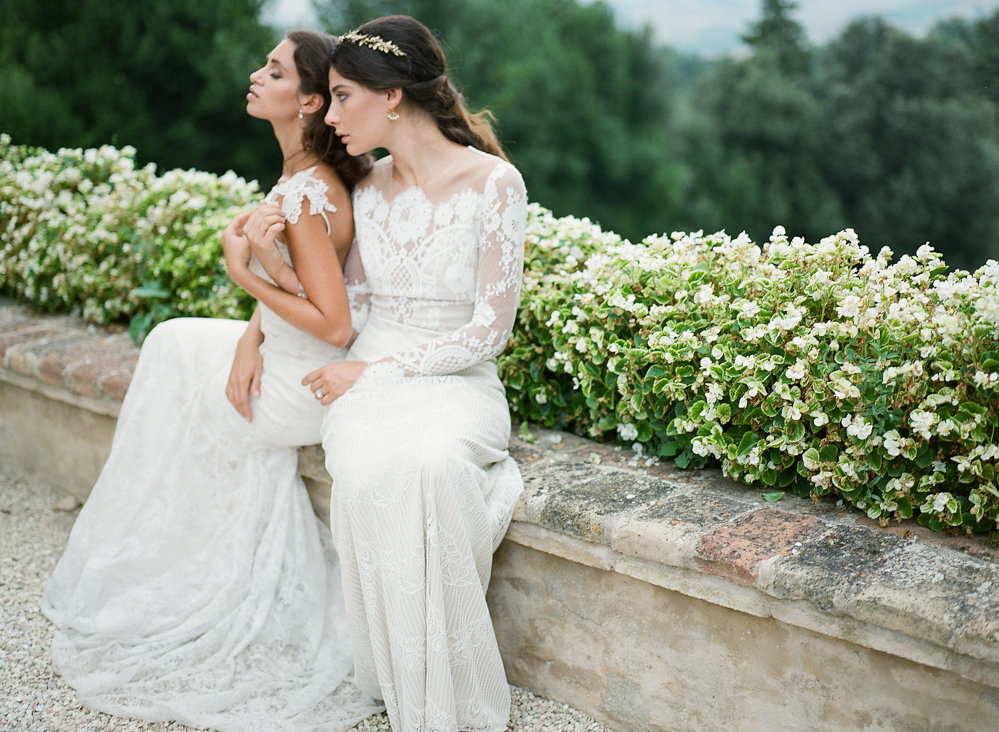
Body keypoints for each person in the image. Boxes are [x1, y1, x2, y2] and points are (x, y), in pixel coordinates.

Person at [42, 30, 382, 730]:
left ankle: (181, 565)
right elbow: (302, 286)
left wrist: (240, 272)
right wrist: (252, 335)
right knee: (173, 345)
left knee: (173, 366)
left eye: (275, 70)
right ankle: (175, 552)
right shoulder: (304, 178)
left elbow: (334, 324)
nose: (255, 76)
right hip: (281, 355)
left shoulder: (306, 193)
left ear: (311, 101)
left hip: (305, 384)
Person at [302, 15, 529, 732]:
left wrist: (377, 369)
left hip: (456, 383)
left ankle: (451, 703)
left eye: (342, 97)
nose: (331, 115)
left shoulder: (495, 182)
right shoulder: (364, 187)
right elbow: (358, 304)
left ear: (392, 95)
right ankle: (396, 678)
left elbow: (489, 332)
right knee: (372, 473)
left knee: (432, 465)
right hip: (368, 380)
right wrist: (271, 263)